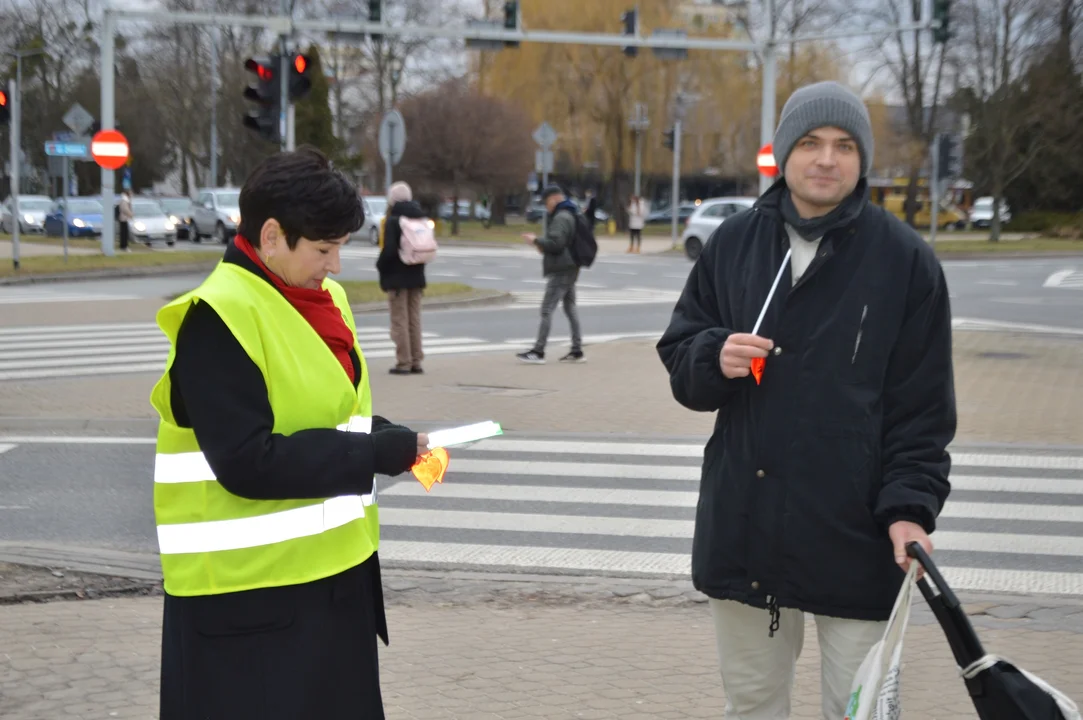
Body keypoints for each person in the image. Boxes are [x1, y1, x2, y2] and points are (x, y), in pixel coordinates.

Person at [656, 81, 957, 719]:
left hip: (857, 535)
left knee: (860, 709)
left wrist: (911, 508)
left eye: (845, 146)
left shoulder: (906, 262)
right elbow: (681, 360)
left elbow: (922, 412)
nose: (827, 159)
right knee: (753, 702)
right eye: (812, 143)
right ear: (785, 153)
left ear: (862, 159)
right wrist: (713, 356)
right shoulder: (735, 243)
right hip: (745, 528)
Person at [149, 146, 428, 719]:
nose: (336, 266)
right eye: (324, 250)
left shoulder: (326, 300)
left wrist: (388, 439)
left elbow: (320, 412)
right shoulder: (217, 318)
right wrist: (370, 452)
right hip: (244, 609)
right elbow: (248, 460)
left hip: (333, 587)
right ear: (271, 236)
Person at [517, 184, 584, 364]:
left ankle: (539, 351)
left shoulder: (561, 217)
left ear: (554, 199)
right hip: (570, 266)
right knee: (570, 308)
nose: (546, 207)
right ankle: (577, 350)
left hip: (561, 269)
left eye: (546, 202)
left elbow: (556, 243)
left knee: (547, 309)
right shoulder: (572, 213)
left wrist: (536, 240)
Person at [376, 181, 427, 375]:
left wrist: (380, 266)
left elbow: (389, 251)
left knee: (399, 320)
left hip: (397, 278)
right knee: (414, 319)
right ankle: (416, 361)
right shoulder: (420, 217)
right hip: (417, 276)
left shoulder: (394, 220)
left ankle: (403, 362)